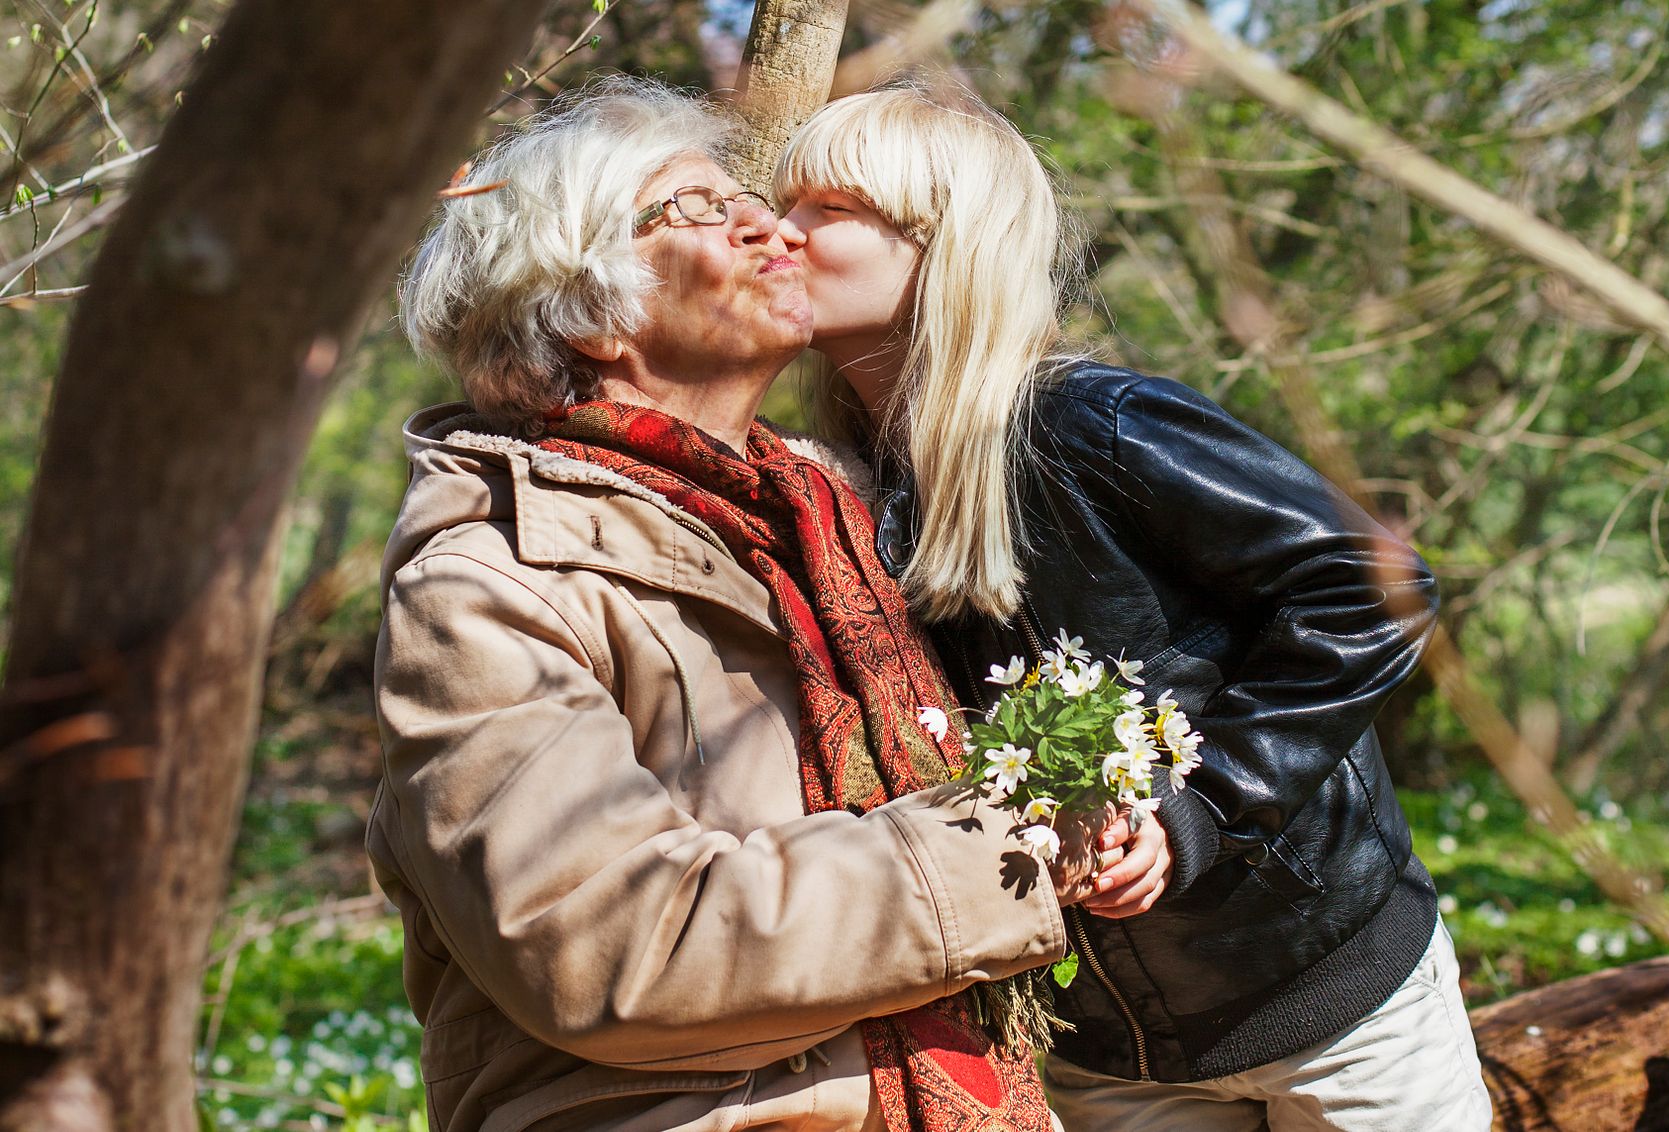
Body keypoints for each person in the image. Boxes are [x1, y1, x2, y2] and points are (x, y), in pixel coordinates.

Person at [371, 78, 1121, 1132]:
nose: (768, 223)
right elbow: (609, 946)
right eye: (691, 208)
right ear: (591, 311)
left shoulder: (836, 510)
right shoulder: (488, 585)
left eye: (742, 196)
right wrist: (1005, 849)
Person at [773, 82, 1493, 1130]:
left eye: (826, 209)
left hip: (1339, 1005)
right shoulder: (850, 497)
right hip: (1112, 1056)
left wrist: (1198, 809)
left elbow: (1372, 589)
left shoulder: (1098, 425)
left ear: (942, 246)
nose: (778, 232)